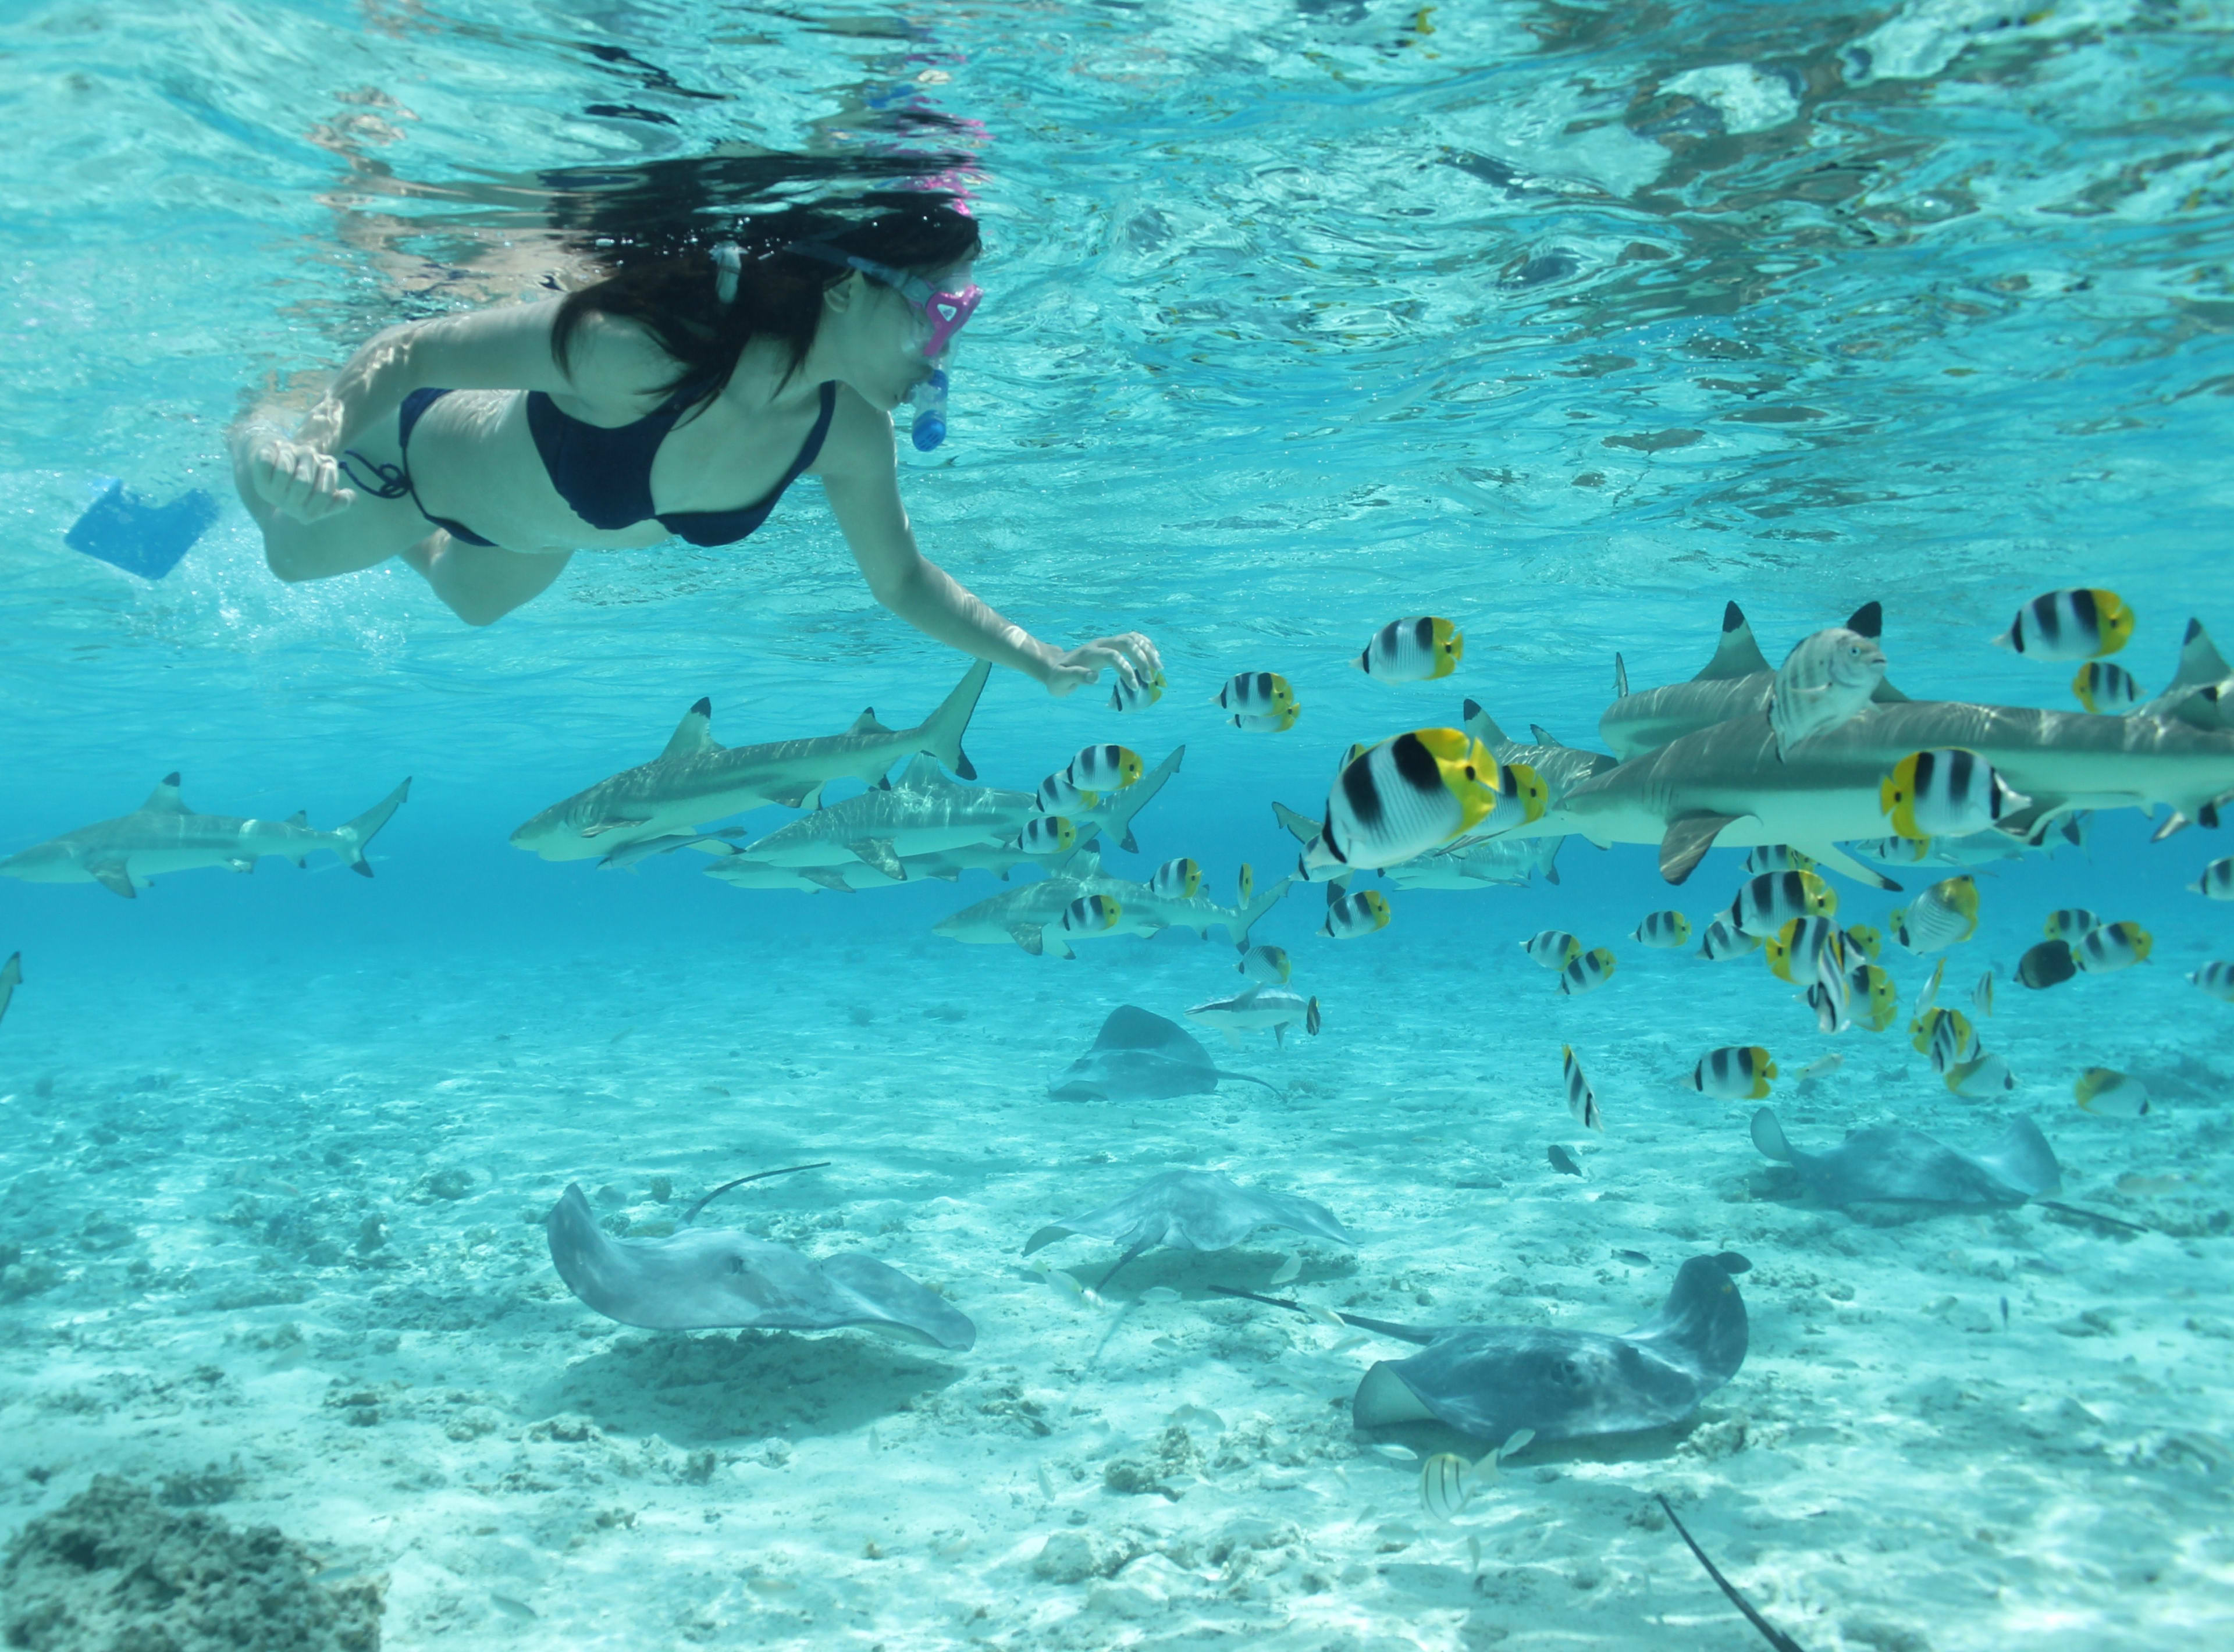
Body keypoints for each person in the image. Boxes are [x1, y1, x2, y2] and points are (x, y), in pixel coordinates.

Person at [230, 198, 1157, 697]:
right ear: (847, 290)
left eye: (959, 320)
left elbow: (904, 581)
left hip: (527, 538)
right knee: (286, 551)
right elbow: (410, 349)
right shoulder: (644, 349)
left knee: (471, 607)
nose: (941, 351)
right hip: (410, 466)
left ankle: (335, 494)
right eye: (936, 312)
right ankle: (247, 434)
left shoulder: (847, 431)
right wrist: (312, 441)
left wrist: (1040, 658)